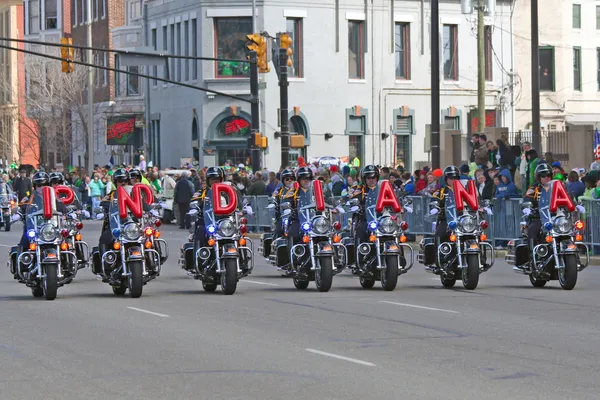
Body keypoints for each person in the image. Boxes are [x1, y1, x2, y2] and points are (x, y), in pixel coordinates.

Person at [14, 171, 67, 278]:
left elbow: (63, 209)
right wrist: (18, 213)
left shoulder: (54, 198)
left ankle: (67, 264)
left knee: (64, 243)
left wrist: (66, 214)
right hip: (34, 228)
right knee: (24, 242)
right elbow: (21, 206)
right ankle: (19, 268)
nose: (41, 187)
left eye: (44, 185)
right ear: (34, 186)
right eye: (39, 185)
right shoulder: (30, 198)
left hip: (51, 229)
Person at [523, 163, 553, 252]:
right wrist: (527, 207)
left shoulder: (558, 186)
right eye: (543, 175)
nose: (547, 177)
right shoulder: (534, 188)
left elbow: (567, 195)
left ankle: (575, 257)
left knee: (568, 230)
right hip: (540, 217)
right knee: (532, 230)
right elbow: (527, 198)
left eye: (549, 175)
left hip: (555, 217)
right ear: (538, 177)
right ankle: (533, 255)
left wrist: (575, 205)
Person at [351, 165, 380, 248]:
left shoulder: (383, 188)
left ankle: (400, 257)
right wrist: (354, 204)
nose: (371, 180)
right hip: (365, 218)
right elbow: (350, 199)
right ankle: (359, 255)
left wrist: (401, 206)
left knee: (396, 232)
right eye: (368, 178)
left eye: (373, 177)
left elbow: (394, 198)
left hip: (381, 218)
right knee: (361, 230)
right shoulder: (358, 188)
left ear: (377, 177)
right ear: (364, 178)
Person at [271, 168, 296, 239]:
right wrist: (273, 202)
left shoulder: (298, 190)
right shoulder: (279, 190)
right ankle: (276, 245)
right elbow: (273, 198)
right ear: (283, 181)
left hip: (295, 216)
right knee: (278, 229)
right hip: (283, 215)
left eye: (291, 178)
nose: (289, 180)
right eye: (287, 179)